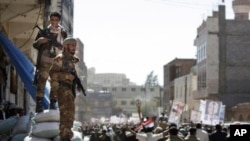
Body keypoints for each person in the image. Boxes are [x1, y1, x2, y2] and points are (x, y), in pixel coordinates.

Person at [33, 11, 67, 113]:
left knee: (55, 84)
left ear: (59, 21)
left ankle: (53, 104)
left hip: (57, 62)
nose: (54, 22)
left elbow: (66, 48)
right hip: (45, 61)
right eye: (52, 20)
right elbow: (35, 44)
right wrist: (41, 41)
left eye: (56, 20)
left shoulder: (63, 33)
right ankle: (39, 104)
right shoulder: (44, 32)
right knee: (42, 81)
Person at [49, 37, 79, 141]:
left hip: (69, 90)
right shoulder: (60, 58)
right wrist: (66, 76)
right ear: (66, 46)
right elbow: (52, 74)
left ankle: (66, 135)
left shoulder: (71, 60)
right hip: (62, 90)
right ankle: (65, 136)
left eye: (75, 45)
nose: (74, 47)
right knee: (66, 115)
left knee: (70, 115)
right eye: (72, 45)